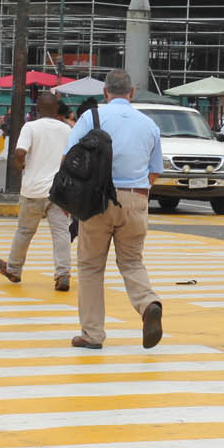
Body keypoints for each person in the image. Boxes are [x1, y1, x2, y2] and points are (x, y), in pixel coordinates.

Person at [66, 69, 163, 350]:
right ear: (131, 92)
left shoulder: (91, 117)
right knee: (132, 261)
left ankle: (92, 334)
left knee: (90, 266)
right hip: (135, 199)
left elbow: (69, 158)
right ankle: (148, 304)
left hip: (96, 200)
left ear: (105, 92)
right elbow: (154, 172)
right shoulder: (149, 125)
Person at [0, 91, 73, 290]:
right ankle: (63, 274)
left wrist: (20, 165)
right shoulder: (66, 129)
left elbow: (20, 151)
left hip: (33, 190)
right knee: (61, 234)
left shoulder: (30, 127)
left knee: (24, 231)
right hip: (58, 192)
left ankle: (13, 269)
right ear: (57, 109)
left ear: (37, 109)